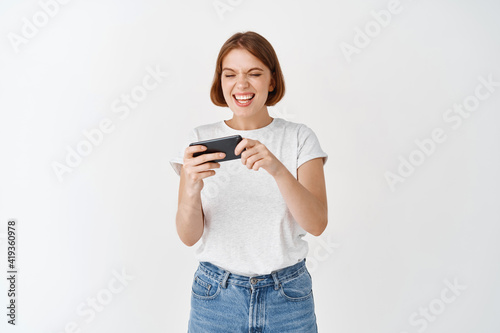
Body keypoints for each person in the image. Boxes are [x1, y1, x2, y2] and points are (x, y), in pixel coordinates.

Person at [170, 31, 328, 333]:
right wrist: (191, 188)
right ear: (221, 82)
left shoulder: (299, 138)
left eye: (254, 73)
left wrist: (278, 169)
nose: (241, 84)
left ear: (271, 80)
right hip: (215, 298)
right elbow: (189, 237)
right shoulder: (199, 140)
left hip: (288, 296)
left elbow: (317, 224)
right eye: (230, 74)